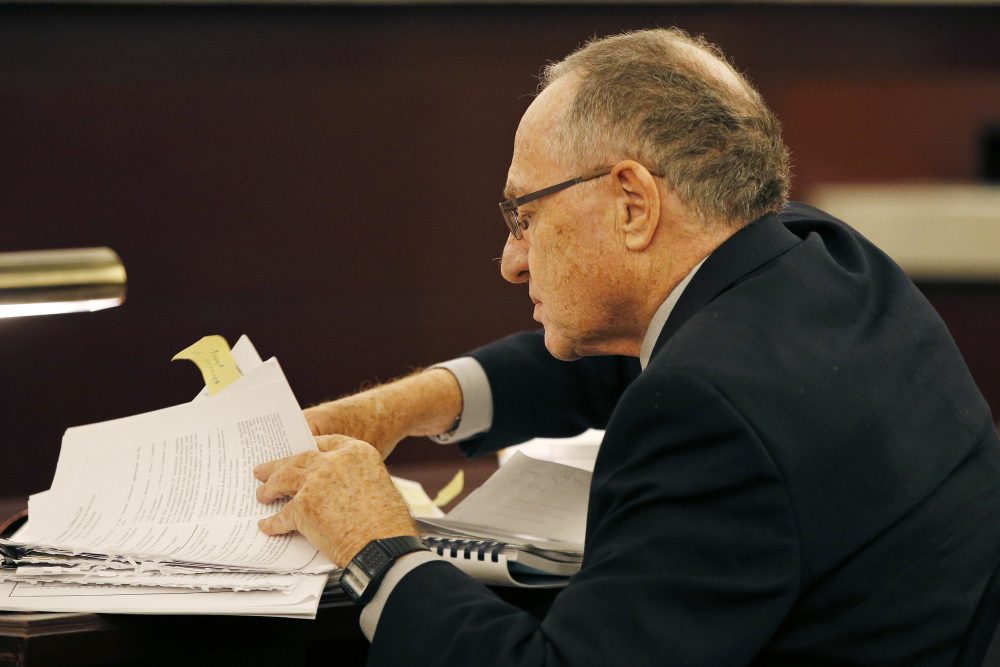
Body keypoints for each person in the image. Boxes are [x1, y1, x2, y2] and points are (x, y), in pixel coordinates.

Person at [253, 28, 1000, 666]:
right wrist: (403, 406)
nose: (513, 259)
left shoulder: (708, 411)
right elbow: (620, 364)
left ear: (633, 204)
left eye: (523, 215)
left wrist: (376, 544)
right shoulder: (818, 258)